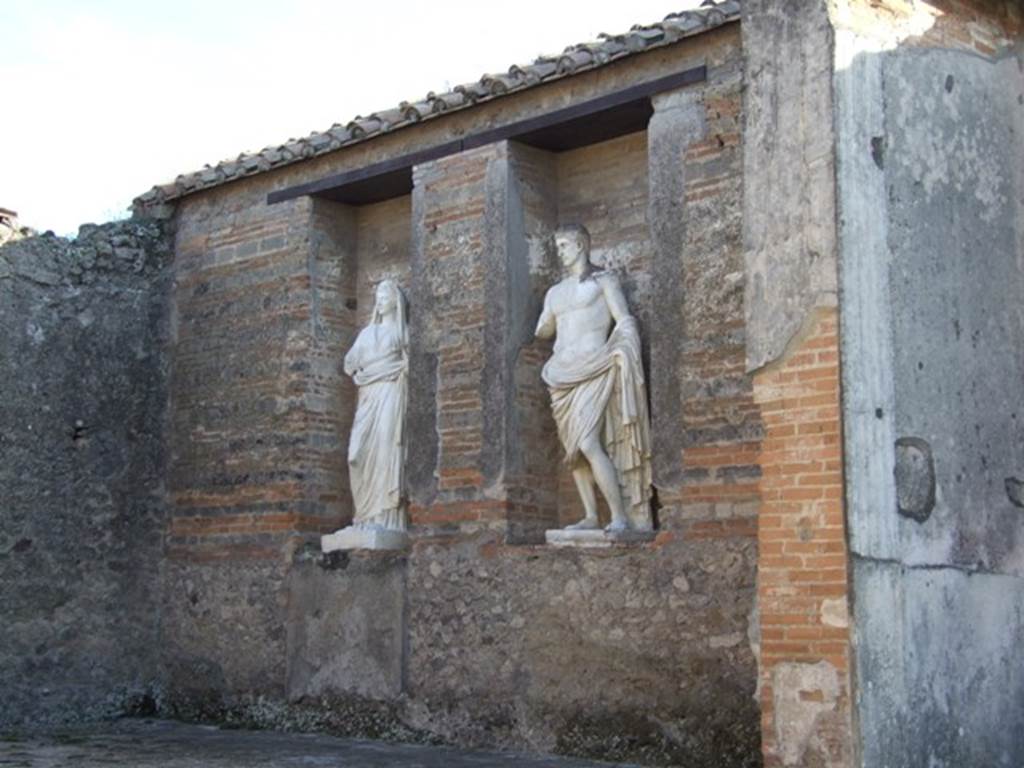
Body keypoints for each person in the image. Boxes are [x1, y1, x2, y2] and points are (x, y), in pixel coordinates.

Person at [535, 224, 653, 532]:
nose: (559, 251)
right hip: (561, 374)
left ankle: (619, 517)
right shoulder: (555, 292)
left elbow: (624, 319)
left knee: (588, 441)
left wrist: (624, 347)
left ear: (580, 245)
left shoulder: (604, 281)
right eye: (557, 245)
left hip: (594, 366)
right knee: (573, 451)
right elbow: (544, 329)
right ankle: (589, 515)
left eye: (563, 245)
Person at [342, 279, 409, 531]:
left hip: (391, 393)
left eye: (384, 297)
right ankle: (364, 515)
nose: (379, 302)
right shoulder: (366, 333)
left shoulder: (402, 333)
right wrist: (364, 370)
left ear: (395, 302)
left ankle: (385, 518)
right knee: (356, 453)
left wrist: (395, 368)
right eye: (377, 297)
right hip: (368, 394)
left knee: (385, 448)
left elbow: (410, 365)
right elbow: (349, 363)